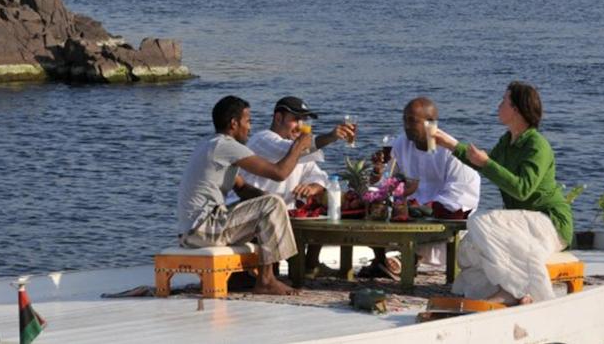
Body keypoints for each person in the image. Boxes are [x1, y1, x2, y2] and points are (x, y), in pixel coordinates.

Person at [434, 81, 573, 305]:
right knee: (470, 247)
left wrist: (487, 162)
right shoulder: (507, 141)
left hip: (550, 223)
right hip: (523, 223)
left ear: (516, 109)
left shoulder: (537, 145)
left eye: (503, 101)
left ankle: (516, 291)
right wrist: (450, 144)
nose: (498, 106)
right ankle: (508, 288)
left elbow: (522, 189)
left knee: (481, 222)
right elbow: (483, 164)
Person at [177, 95, 312, 296]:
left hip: (193, 230)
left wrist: (264, 200)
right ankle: (266, 280)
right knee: (273, 204)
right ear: (234, 123)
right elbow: (279, 172)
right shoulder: (226, 145)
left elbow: (242, 188)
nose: (250, 128)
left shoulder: (211, 144)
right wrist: (299, 146)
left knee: (269, 203)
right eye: (247, 121)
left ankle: (242, 276)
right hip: (203, 229)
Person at [233, 96, 354, 278]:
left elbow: (320, 177)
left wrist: (313, 187)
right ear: (278, 118)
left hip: (283, 215)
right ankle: (284, 270)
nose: (300, 125)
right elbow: (290, 150)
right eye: (295, 119)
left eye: (304, 120)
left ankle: (310, 264)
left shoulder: (297, 148)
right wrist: (331, 136)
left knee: (325, 201)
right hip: (250, 214)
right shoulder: (263, 139)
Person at [361, 97, 481, 278]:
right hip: (406, 208)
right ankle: (381, 259)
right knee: (370, 208)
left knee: (434, 223)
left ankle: (409, 259)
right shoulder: (401, 144)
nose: (406, 126)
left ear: (430, 124)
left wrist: (425, 208)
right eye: (404, 120)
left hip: (437, 213)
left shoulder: (449, 151)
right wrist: (378, 175)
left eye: (412, 121)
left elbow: (462, 193)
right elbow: (391, 182)